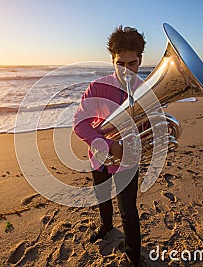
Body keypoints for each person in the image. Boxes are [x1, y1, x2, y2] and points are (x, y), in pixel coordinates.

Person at [73, 26, 146, 267]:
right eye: (120, 64)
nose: (126, 70)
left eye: (132, 63)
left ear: (141, 59)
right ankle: (105, 226)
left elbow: (151, 124)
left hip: (128, 159)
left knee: (129, 211)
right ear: (112, 60)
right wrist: (107, 144)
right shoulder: (97, 87)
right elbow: (79, 123)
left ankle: (134, 257)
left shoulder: (147, 91)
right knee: (102, 195)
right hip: (99, 156)